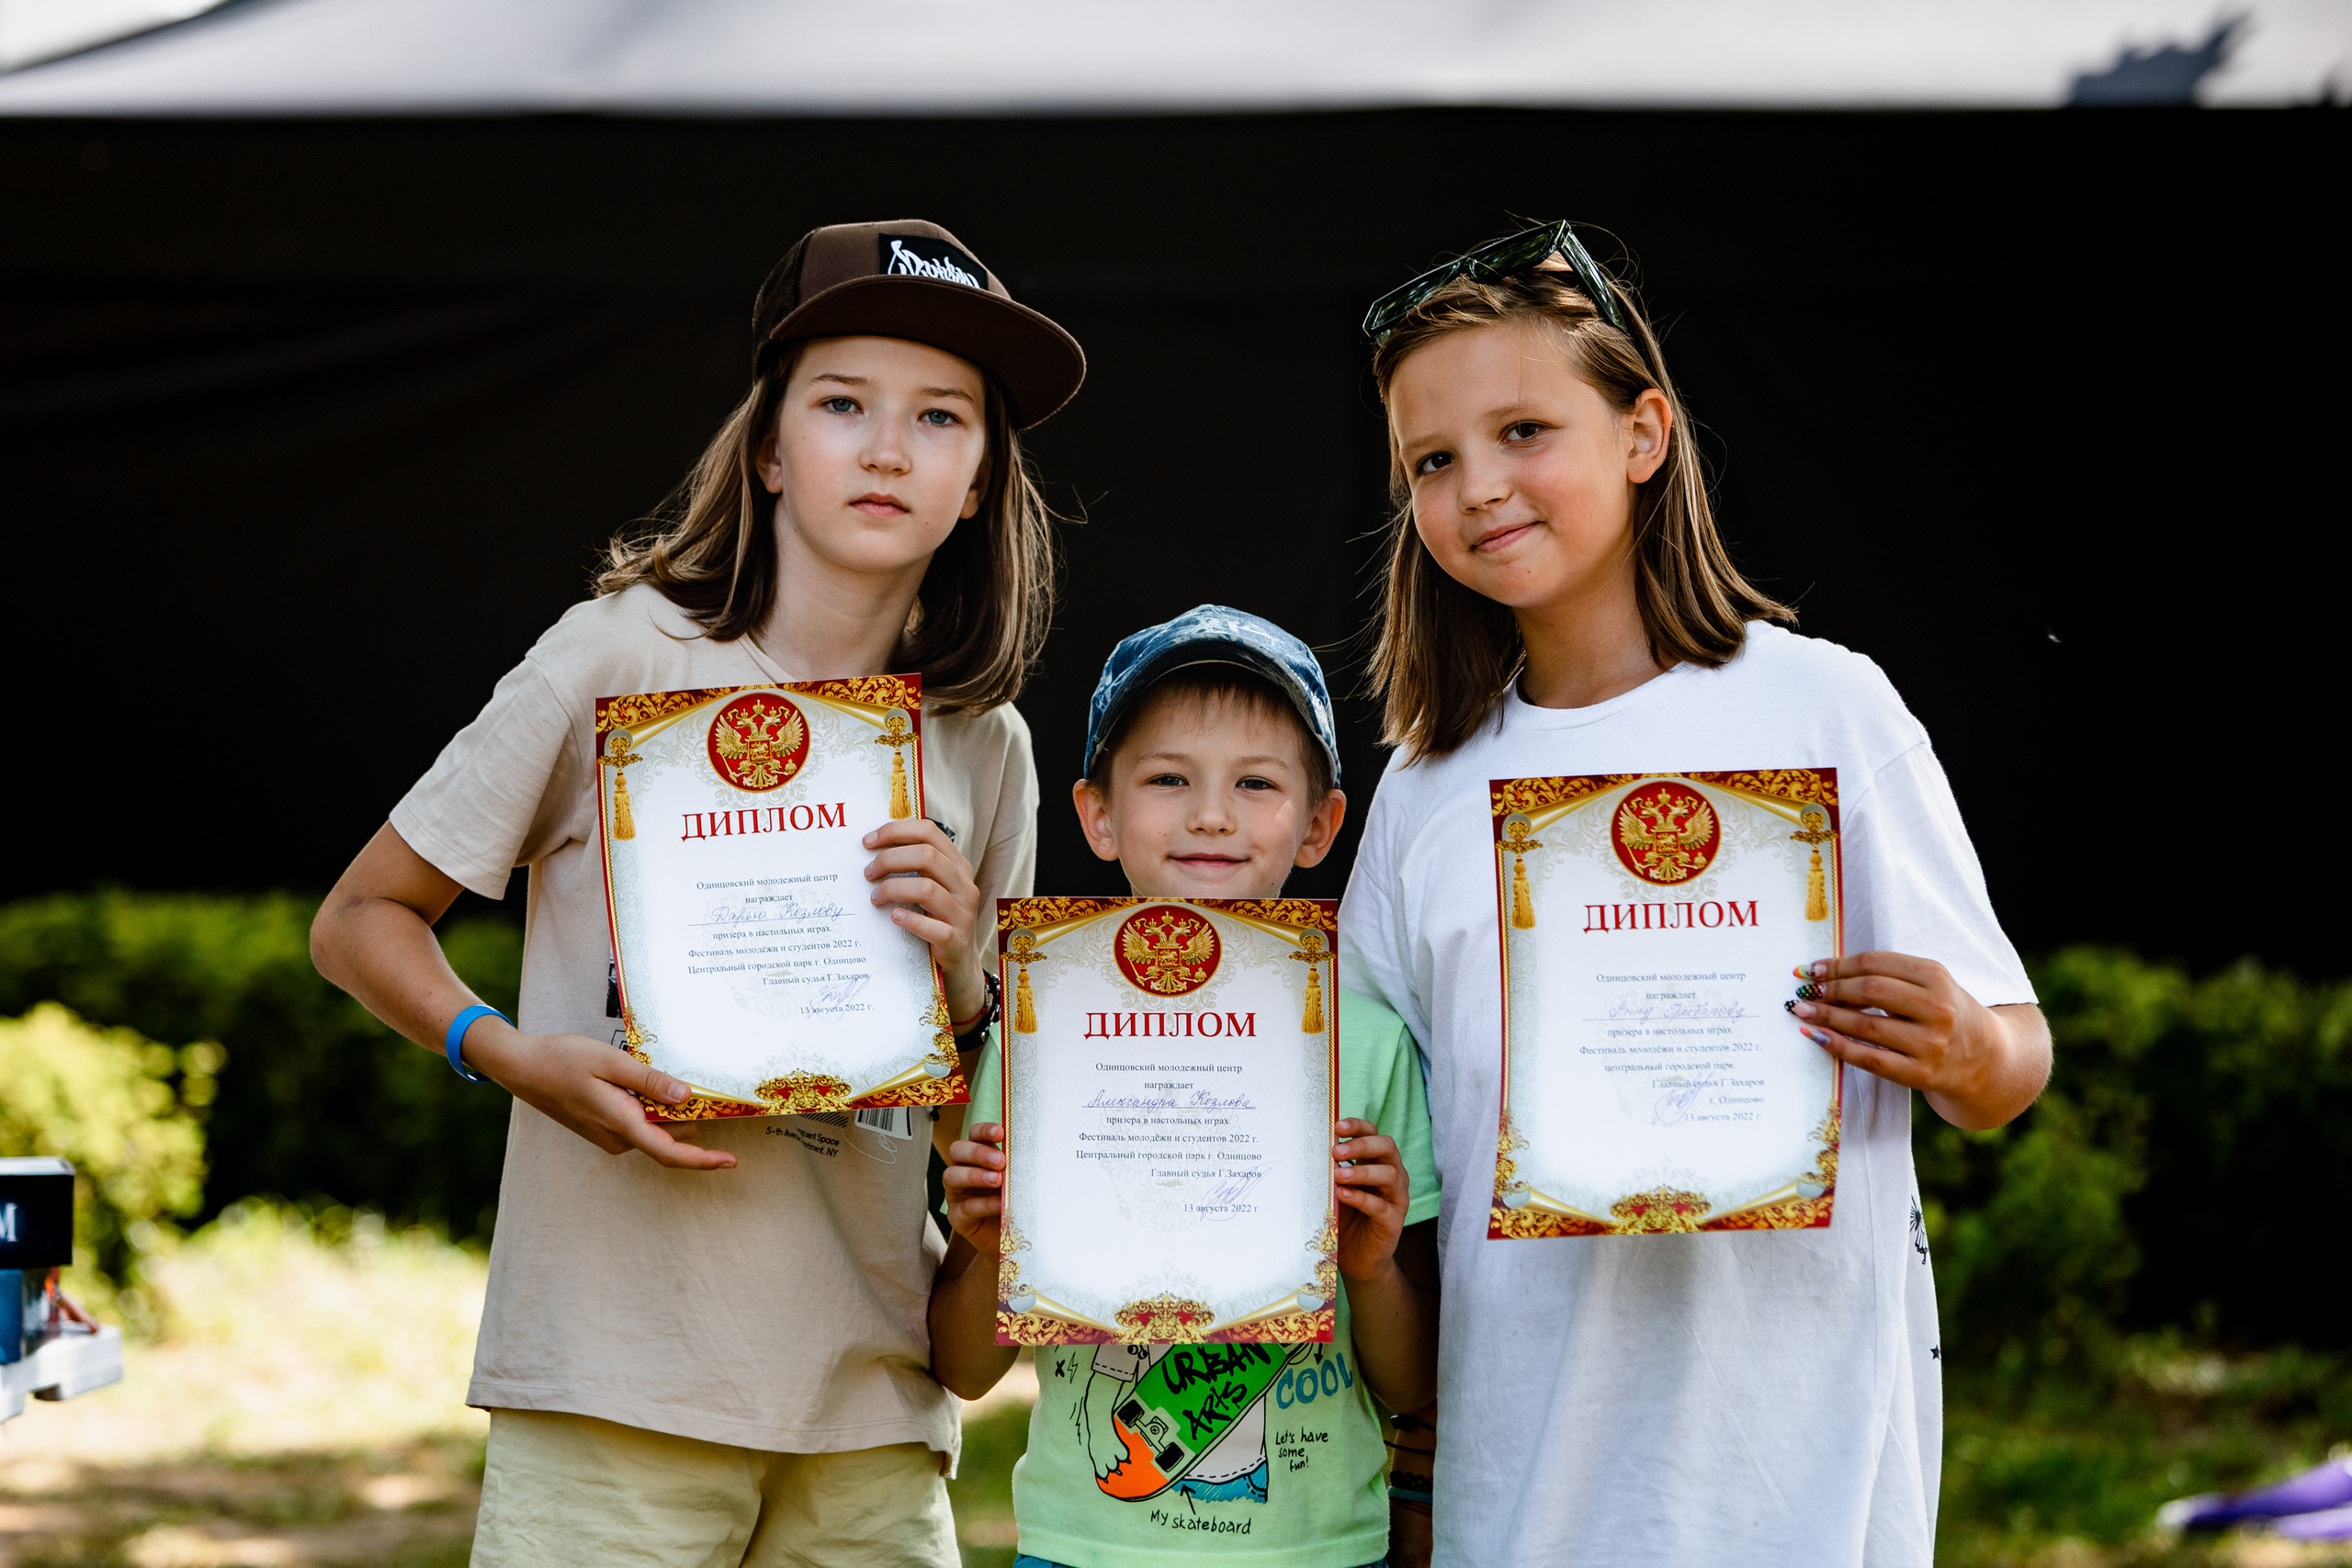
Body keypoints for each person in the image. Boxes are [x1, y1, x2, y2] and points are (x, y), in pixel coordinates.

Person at [308, 219, 1084, 1568]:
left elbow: (987, 1121)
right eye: (843, 404)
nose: (889, 446)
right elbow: (360, 918)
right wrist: (504, 1055)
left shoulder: (985, 741)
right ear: (773, 449)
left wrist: (964, 966)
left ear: (979, 483)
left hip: (872, 1402)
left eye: (941, 418)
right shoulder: (619, 653)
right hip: (618, 1381)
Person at [1340, 222, 2053, 1567]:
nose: (1479, 485)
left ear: (1645, 433)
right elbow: (1394, 1148)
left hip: (1799, 1461)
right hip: (1530, 1477)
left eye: (1523, 429)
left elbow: (2014, 1059)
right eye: (1432, 460)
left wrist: (1963, 1043)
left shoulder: (1829, 708)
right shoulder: (1429, 790)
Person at [931, 606, 1442, 1568]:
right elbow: (962, 1371)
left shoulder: (1368, 1043)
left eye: (1256, 783)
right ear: (1098, 815)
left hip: (1320, 1549)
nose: (1210, 814)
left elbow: (1414, 1381)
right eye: (1168, 779)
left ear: (1320, 824)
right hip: (1084, 1544)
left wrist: (1369, 1267)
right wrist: (988, 1246)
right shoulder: (1045, 1036)